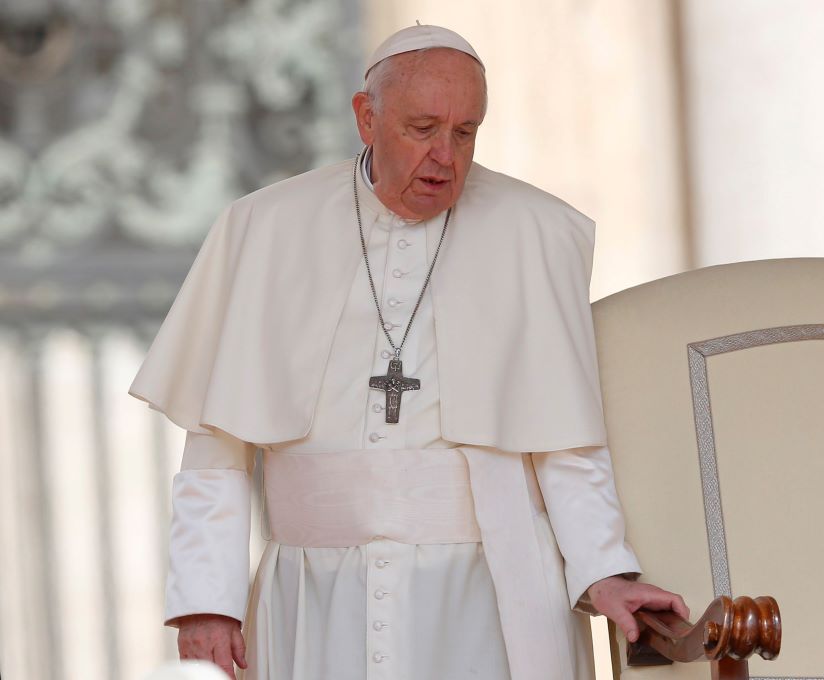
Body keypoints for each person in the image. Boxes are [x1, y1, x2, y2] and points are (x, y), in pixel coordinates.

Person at [129, 24, 688, 680]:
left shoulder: (536, 231)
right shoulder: (264, 227)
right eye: (422, 129)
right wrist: (206, 602)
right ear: (367, 118)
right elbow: (218, 447)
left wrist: (605, 572)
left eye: (464, 132)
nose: (445, 158)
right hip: (314, 591)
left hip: (488, 593)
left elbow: (566, 443)